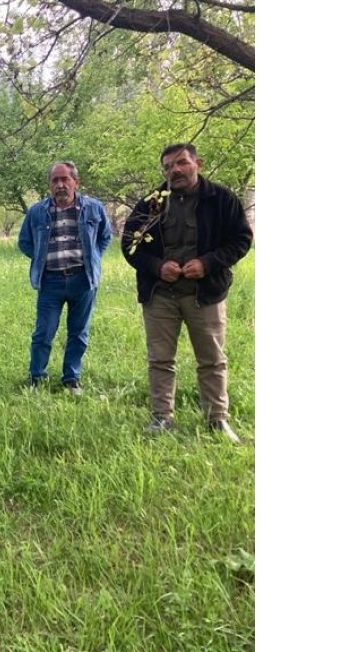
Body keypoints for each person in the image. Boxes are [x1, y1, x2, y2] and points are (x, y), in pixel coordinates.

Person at [121, 143, 253, 443]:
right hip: (160, 295)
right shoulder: (151, 203)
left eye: (181, 163)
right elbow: (130, 244)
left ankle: (217, 419)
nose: (175, 170)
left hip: (204, 294)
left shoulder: (221, 200)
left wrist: (208, 263)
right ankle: (161, 417)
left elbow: (241, 239)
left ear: (198, 163)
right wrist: (157, 267)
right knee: (160, 360)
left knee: (212, 359)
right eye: (168, 167)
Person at [17, 161, 113, 395]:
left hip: (83, 280)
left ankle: (71, 378)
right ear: (49, 185)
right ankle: (36, 377)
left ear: (76, 182)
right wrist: (42, 258)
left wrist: (92, 259)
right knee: (43, 332)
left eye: (65, 179)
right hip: (50, 281)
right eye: (55, 180)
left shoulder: (94, 208)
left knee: (79, 332)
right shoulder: (37, 211)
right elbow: (25, 242)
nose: (60, 184)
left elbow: (105, 237)